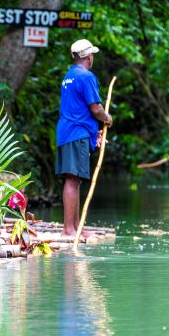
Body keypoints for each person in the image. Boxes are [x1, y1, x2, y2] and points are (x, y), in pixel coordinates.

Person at [55, 39, 112, 238]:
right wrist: (107, 118)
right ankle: (68, 229)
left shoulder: (69, 76)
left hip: (69, 131)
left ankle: (76, 227)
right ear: (89, 56)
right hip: (75, 133)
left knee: (75, 179)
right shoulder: (86, 76)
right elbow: (95, 108)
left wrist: (92, 131)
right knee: (72, 179)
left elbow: (77, 110)